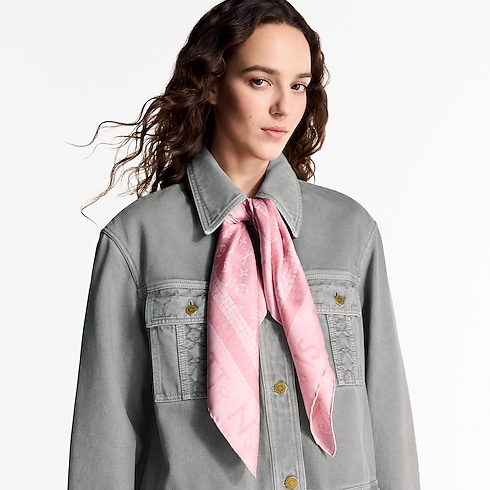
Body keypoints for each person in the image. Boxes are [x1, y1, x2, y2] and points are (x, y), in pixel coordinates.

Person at [68, 0, 420, 488]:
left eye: (298, 85)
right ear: (212, 84)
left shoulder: (351, 232)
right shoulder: (136, 241)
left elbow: (387, 414)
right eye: (260, 81)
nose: (283, 107)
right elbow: (106, 434)